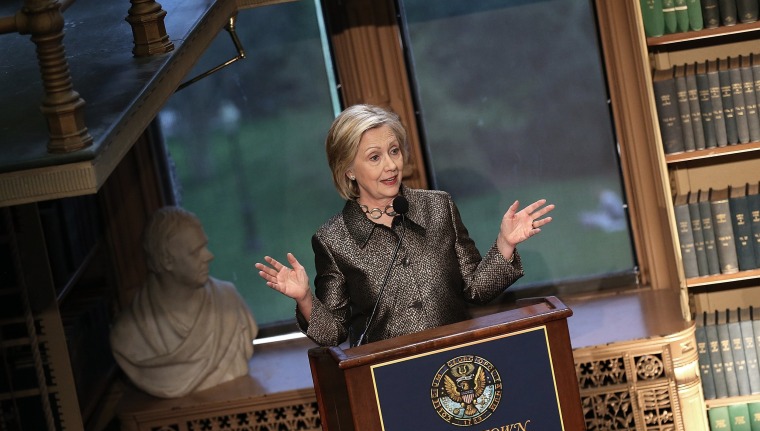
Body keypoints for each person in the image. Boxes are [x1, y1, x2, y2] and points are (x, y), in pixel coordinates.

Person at [256, 104, 553, 347]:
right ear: (348, 170)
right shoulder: (333, 239)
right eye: (375, 157)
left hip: (459, 364)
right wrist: (305, 299)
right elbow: (333, 333)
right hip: (389, 379)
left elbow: (475, 289)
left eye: (394, 151)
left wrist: (505, 244)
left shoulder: (438, 207)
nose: (391, 165)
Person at [110, 206, 258, 398]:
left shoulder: (228, 300)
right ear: (166, 261)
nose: (209, 256)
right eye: (195, 252)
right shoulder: (128, 335)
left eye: (204, 246)